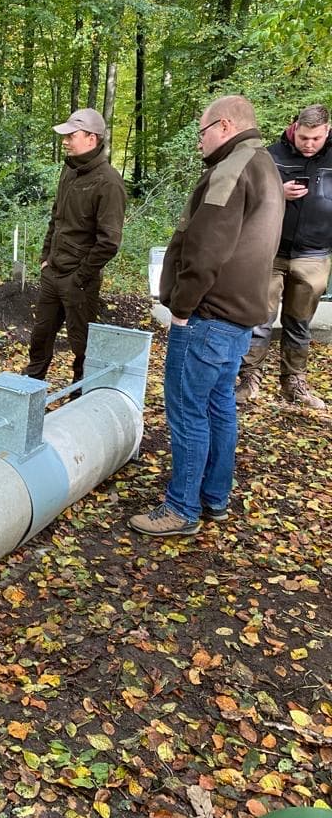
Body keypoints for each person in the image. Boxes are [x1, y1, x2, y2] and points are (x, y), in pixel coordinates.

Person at [129, 95, 284, 538]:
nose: (199, 140)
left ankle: (181, 508)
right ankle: (214, 497)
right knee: (219, 408)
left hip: (207, 315)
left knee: (187, 411)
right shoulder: (266, 165)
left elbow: (206, 246)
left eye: (201, 131)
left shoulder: (232, 168)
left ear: (225, 125)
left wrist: (182, 307)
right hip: (239, 316)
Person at [235, 103, 332, 409]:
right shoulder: (270, 155)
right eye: (304, 137)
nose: (309, 144)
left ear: (327, 131)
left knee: (300, 321)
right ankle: (249, 379)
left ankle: (294, 383)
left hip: (314, 254)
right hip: (270, 250)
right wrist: (277, 190)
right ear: (294, 128)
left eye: (316, 138)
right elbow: (245, 195)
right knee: (259, 318)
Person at [22, 108, 126, 385]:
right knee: (40, 337)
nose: (65, 141)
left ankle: (81, 396)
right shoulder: (69, 172)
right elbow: (56, 218)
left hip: (79, 281)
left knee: (82, 346)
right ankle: (29, 391)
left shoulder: (109, 182)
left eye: (71, 135)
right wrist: (46, 258)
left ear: (91, 138)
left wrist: (80, 277)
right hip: (53, 273)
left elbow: (109, 242)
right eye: (65, 135)